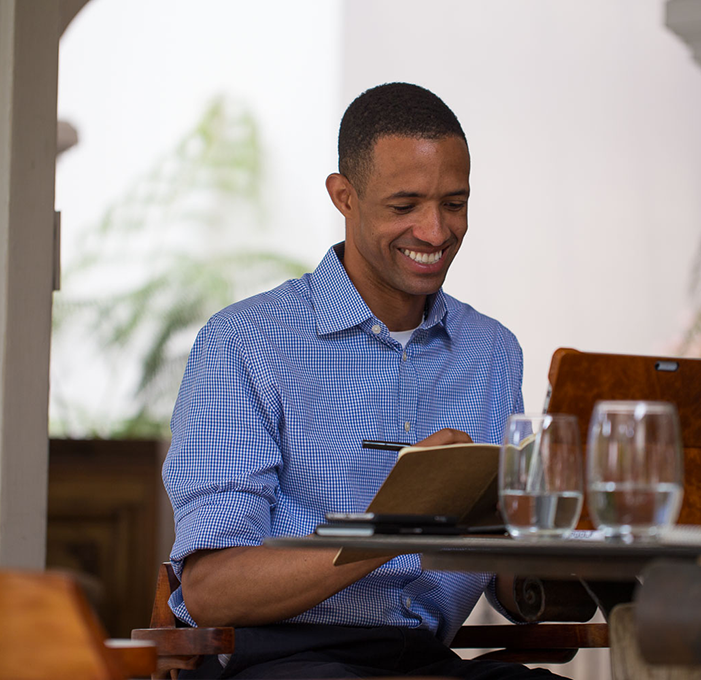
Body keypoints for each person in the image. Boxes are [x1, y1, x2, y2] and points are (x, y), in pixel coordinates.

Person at [163, 83, 566, 679]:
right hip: (280, 659)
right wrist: (402, 520)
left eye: (454, 204)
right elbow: (212, 591)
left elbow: (513, 581)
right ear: (343, 196)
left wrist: (560, 548)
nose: (434, 232)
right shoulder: (243, 344)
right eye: (404, 207)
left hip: (428, 661)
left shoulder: (492, 351)